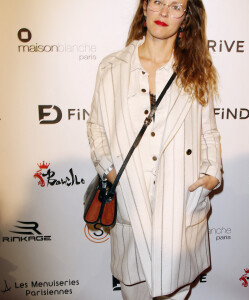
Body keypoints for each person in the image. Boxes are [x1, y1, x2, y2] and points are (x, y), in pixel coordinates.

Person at [87, 0, 222, 299]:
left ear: (186, 17)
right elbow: (97, 128)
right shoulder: (112, 67)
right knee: (134, 287)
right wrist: (111, 172)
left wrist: (211, 175)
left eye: (176, 6)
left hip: (179, 203)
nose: (164, 13)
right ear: (145, 7)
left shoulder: (196, 70)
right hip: (131, 199)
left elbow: (209, 132)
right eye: (158, 2)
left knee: (176, 287)